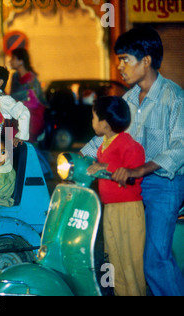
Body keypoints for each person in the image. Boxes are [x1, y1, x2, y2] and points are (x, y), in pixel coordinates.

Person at [80, 27, 184, 296]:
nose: (120, 66)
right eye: (119, 60)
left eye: (125, 59)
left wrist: (142, 168)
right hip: (129, 188)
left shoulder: (174, 98)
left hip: (163, 185)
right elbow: (105, 137)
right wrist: (77, 159)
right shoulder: (126, 100)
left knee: (155, 259)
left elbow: (180, 146)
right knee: (124, 254)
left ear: (146, 61)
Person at [86, 96, 146, 296]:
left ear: (104, 123)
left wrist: (105, 167)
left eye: (94, 117)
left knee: (130, 262)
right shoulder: (104, 145)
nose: (92, 121)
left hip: (128, 209)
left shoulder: (128, 144)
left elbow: (133, 173)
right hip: (110, 208)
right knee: (114, 259)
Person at [9, 47, 47, 143]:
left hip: (32, 115)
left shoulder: (30, 79)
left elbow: (34, 103)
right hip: (16, 113)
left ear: (21, 61)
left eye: (13, 58)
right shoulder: (15, 77)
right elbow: (11, 96)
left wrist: (18, 103)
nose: (10, 61)